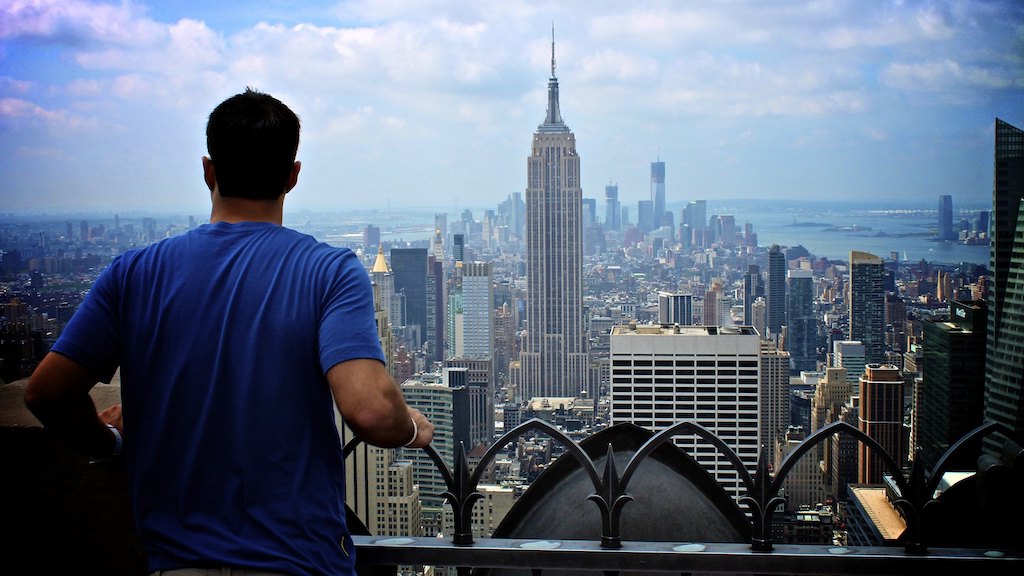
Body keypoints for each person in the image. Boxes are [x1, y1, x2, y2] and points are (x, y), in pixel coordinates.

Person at [25, 87, 433, 576]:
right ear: (293, 176)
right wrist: (411, 427)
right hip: (299, 562)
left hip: (176, 564)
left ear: (208, 170)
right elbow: (367, 409)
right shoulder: (329, 270)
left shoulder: (133, 272)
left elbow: (46, 393)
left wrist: (109, 443)